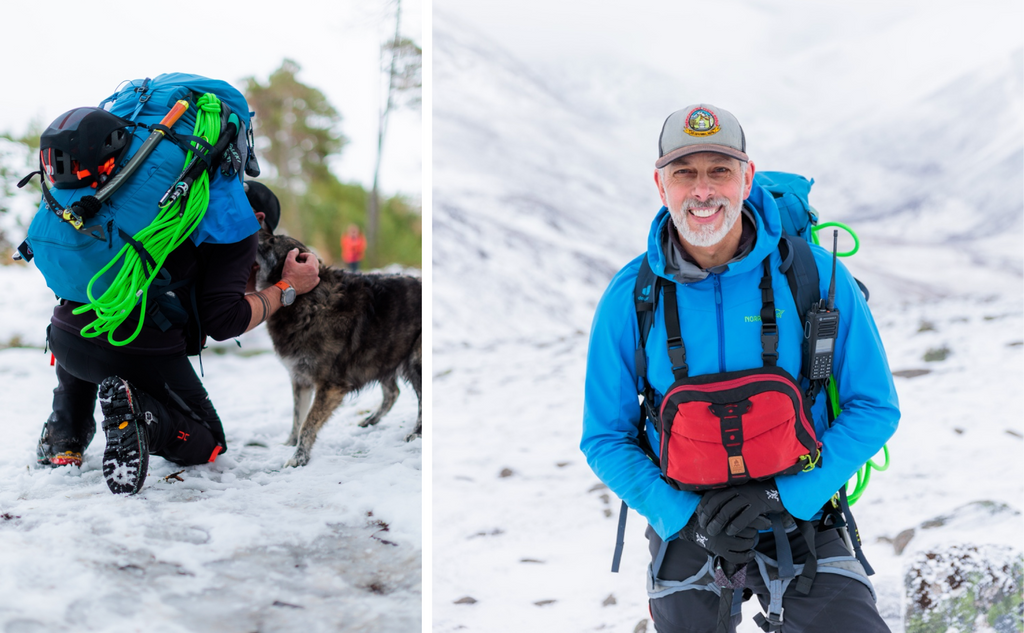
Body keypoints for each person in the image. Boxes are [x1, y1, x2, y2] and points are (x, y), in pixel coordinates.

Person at [580, 104, 900, 632]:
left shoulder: (813, 274)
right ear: (661, 186)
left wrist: (783, 496)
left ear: (747, 178)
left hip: (804, 509)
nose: (702, 191)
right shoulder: (631, 295)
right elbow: (605, 437)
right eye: (685, 173)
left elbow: (875, 406)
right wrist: (684, 519)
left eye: (719, 171)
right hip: (686, 518)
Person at [36, 171, 320, 495]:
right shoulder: (238, 222)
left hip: (65, 335)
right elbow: (224, 320)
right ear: (258, 218)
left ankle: (64, 441)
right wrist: (288, 287)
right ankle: (142, 417)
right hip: (134, 351)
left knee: (91, 331)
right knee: (210, 442)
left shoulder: (161, 200)